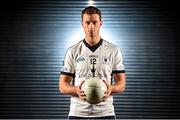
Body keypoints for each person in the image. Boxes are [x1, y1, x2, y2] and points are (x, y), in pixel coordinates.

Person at [59, 6, 126, 119]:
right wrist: (77, 90)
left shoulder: (114, 50)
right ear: (82, 24)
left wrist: (110, 88)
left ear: (101, 23)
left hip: (105, 113)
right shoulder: (73, 51)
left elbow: (122, 85)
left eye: (94, 22)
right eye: (87, 22)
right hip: (77, 113)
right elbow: (62, 86)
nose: (91, 27)